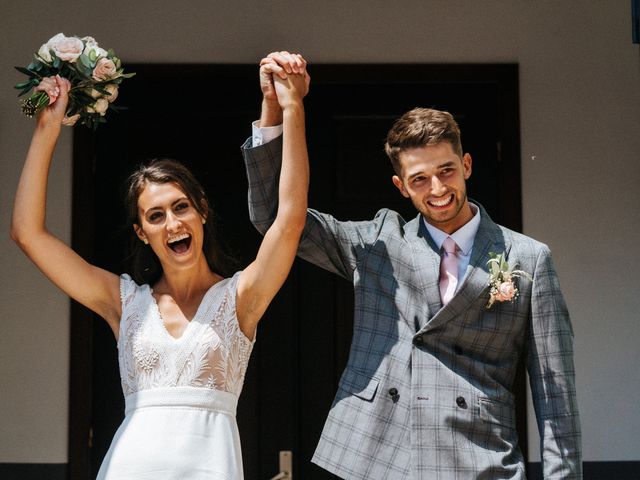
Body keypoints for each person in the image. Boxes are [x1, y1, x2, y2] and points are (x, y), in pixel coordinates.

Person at [243, 53, 581, 479]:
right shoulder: (378, 243)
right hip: (378, 456)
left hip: (479, 459)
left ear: (467, 166)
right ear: (401, 187)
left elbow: (555, 396)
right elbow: (275, 218)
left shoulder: (527, 258)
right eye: (420, 179)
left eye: (447, 171)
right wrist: (278, 107)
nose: (438, 188)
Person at [11, 55, 310, 480]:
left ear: (202, 212)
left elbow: (290, 220)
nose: (172, 223)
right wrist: (47, 128)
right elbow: (27, 233)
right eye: (155, 216)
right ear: (141, 232)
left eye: (181, 207)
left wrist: (291, 106)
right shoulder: (124, 302)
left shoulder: (240, 298)